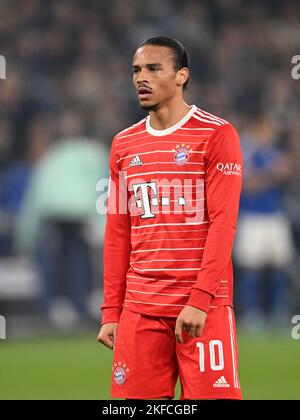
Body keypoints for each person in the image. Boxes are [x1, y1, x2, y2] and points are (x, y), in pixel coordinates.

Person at [97, 36, 243, 400]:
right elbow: (118, 233)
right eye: (136, 70)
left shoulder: (216, 134)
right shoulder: (123, 145)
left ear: (181, 76)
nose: (140, 78)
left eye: (153, 68)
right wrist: (111, 311)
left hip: (201, 307)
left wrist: (200, 299)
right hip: (140, 310)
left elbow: (223, 224)